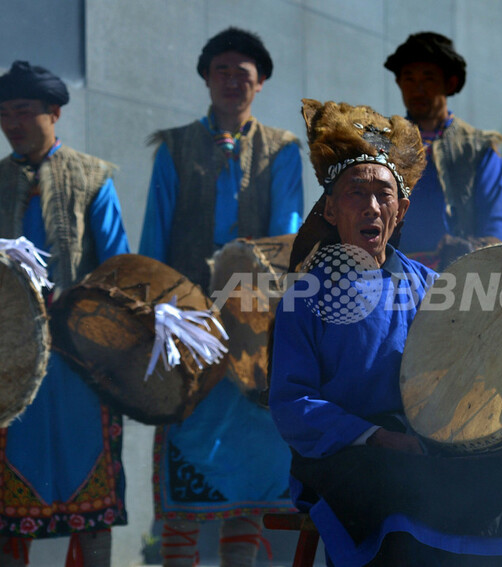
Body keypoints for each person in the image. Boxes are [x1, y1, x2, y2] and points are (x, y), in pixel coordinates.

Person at [269, 98, 502, 567]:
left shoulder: (433, 288)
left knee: (496, 491)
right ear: (332, 209)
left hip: (422, 446)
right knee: (401, 500)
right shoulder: (305, 296)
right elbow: (291, 403)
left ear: (400, 210)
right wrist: (376, 436)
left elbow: (467, 368)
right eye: (356, 193)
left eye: (383, 195)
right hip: (343, 454)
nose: (371, 207)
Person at [138, 27, 303, 567]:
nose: (232, 81)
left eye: (243, 74)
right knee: (185, 480)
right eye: (222, 71)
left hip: (253, 331)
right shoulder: (174, 148)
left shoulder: (282, 151)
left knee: (250, 488)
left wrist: (259, 304)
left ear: (260, 84)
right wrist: (155, 314)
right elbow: (153, 240)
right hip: (188, 331)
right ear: (207, 79)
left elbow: (287, 238)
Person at [0, 60, 130, 566]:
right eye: (4, 113)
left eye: (23, 111)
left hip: (79, 357)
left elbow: (117, 266)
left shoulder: (93, 178)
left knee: (91, 493)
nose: (12, 123)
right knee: (8, 495)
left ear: (54, 112)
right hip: (10, 356)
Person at [384, 31, 502, 270]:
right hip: (391, 277)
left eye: (428, 79)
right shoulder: (383, 145)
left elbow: (498, 231)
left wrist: (471, 251)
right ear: (399, 83)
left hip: (459, 278)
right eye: (409, 78)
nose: (417, 89)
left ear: (450, 83)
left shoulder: (477, 149)